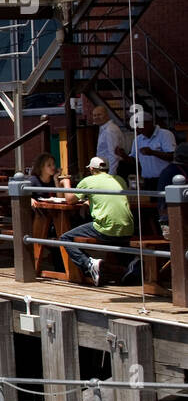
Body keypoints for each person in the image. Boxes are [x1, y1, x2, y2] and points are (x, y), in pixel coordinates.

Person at [61, 156, 133, 286]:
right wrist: (90, 201)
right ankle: (131, 261)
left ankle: (89, 264)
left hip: (106, 228)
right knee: (115, 239)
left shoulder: (88, 181)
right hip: (128, 228)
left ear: (92, 169)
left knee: (65, 238)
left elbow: (69, 199)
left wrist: (66, 182)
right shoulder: (119, 179)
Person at [127, 115, 176, 186]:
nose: (138, 129)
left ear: (149, 123)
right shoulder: (138, 139)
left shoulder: (165, 134)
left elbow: (173, 156)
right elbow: (134, 161)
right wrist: (123, 155)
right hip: (147, 180)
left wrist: (152, 152)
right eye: (136, 127)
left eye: (140, 125)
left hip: (165, 178)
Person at [92, 105, 127, 174]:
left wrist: (111, 175)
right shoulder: (104, 129)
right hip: (105, 168)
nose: (96, 117)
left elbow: (114, 155)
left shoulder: (110, 130)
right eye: (94, 115)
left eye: (99, 114)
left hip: (112, 170)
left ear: (107, 115)